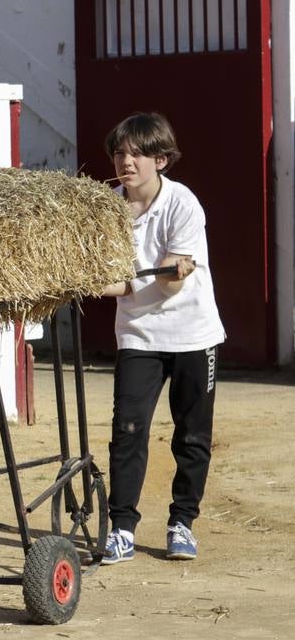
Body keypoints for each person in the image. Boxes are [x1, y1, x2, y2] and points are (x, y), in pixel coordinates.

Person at [96, 112, 225, 565]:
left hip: (193, 333)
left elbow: (169, 282)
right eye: (119, 152)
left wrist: (118, 282)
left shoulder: (183, 204)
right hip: (138, 334)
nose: (125, 161)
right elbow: (111, 277)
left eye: (136, 153)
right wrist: (83, 281)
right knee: (127, 430)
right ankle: (122, 529)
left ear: (162, 160)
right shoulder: (107, 209)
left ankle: (182, 524)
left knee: (192, 435)